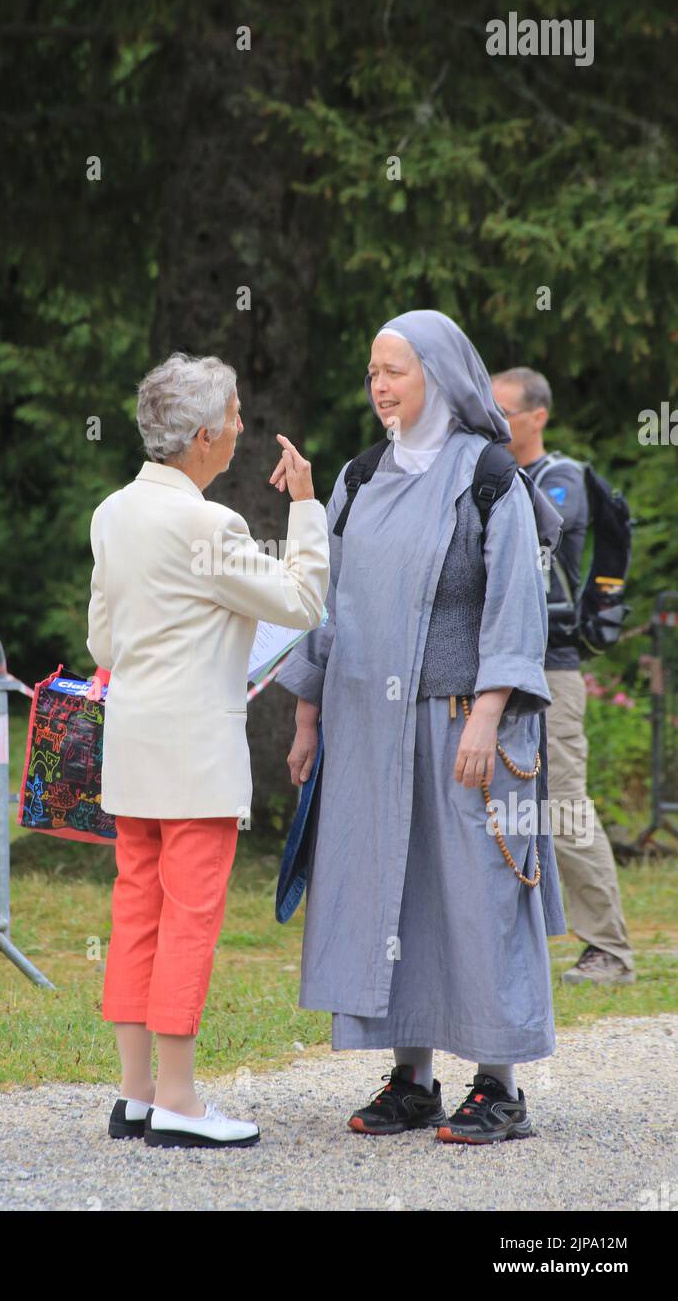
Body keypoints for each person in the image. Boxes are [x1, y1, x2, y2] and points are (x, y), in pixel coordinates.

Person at [274, 310, 566, 1145]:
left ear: (437, 374)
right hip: (369, 731)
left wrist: (485, 715)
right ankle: (413, 1080)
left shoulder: (488, 474)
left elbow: (515, 606)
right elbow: (328, 607)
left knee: (475, 897)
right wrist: (306, 714)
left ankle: (500, 1087)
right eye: (371, 370)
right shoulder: (359, 479)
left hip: (460, 729)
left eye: (394, 369)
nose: (379, 384)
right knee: (389, 894)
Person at [87, 351, 330, 1148]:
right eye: (232, 418)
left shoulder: (112, 511)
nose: (240, 430)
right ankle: (182, 1102)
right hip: (195, 757)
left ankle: (135, 1094)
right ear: (200, 437)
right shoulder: (210, 522)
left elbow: (102, 639)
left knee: (136, 917)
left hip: (132, 748)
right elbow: (301, 602)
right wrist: (304, 505)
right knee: (189, 922)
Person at [491, 366, 635, 985]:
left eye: (506, 413)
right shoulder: (491, 476)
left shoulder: (563, 480)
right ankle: (500, 943)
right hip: (494, 668)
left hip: (553, 667)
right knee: (496, 806)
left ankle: (610, 950)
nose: (495, 425)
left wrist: (605, 600)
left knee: (565, 807)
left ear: (538, 416)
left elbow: (598, 535)